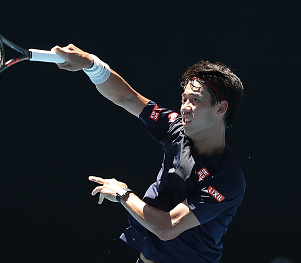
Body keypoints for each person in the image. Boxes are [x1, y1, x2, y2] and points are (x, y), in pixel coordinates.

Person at [52, 44, 246, 263]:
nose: (184, 107)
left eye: (195, 100)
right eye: (184, 99)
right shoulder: (175, 129)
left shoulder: (227, 180)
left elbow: (167, 227)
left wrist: (122, 194)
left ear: (221, 108)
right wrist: (90, 63)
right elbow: (127, 98)